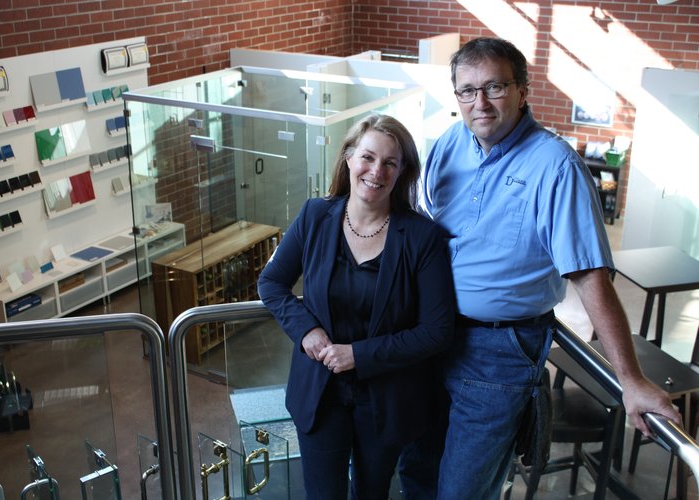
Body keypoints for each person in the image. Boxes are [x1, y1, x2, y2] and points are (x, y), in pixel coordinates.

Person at [407, 37, 681, 499]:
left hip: (497, 351)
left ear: (522, 90)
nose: (480, 102)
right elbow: (426, 223)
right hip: (431, 336)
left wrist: (630, 380)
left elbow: (590, 275)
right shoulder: (450, 143)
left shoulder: (556, 167)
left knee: (462, 489)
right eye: (467, 90)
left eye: (494, 87)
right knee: (416, 468)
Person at [257, 113, 456, 500]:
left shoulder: (422, 237)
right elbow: (271, 283)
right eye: (367, 157)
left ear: (402, 172)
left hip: (387, 399)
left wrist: (358, 356)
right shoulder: (315, 216)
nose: (376, 171)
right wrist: (306, 331)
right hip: (320, 392)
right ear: (348, 157)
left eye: (390, 163)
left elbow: (437, 330)